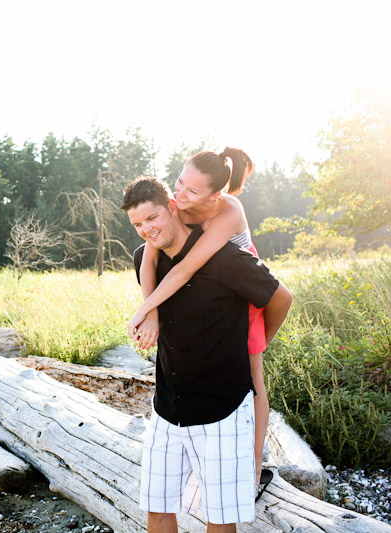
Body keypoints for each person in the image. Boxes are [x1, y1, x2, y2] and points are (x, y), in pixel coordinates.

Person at [121, 176, 292, 532]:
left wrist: (252, 344)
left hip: (222, 409)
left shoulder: (225, 257)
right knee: (157, 508)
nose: (146, 230)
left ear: (172, 206)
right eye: (137, 224)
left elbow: (281, 298)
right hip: (167, 408)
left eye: (152, 218)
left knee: (220, 517)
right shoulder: (144, 260)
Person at [128, 148, 271, 489]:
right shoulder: (181, 206)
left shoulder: (228, 210)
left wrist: (145, 311)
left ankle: (253, 467)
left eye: (192, 191)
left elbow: (187, 266)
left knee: (252, 380)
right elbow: (149, 257)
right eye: (179, 183)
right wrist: (152, 313)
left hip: (241, 294)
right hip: (204, 291)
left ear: (215, 194)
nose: (180, 194)